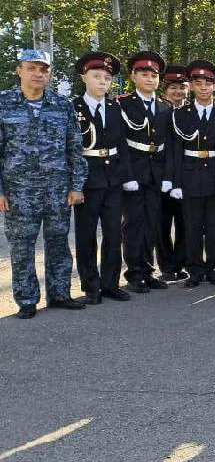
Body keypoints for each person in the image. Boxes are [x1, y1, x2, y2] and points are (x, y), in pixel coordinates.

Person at [0, 49, 87, 318]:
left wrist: (77, 185)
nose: (38, 74)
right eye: (32, 68)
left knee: (59, 243)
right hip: (18, 191)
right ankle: (26, 299)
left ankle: (60, 293)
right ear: (20, 70)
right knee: (22, 246)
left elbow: (75, 148)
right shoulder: (3, 103)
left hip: (57, 189)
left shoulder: (62, 105)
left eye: (43, 70)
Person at [168, 60, 215, 287]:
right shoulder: (181, 114)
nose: (204, 88)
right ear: (192, 87)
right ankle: (194, 270)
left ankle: (214, 268)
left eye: (208, 83)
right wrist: (175, 182)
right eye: (198, 83)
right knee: (192, 226)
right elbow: (176, 150)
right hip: (189, 176)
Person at [72, 52, 132, 305]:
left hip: (113, 179)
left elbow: (123, 144)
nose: (102, 82)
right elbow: (70, 148)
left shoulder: (115, 107)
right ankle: (91, 286)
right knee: (86, 234)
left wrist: (127, 176)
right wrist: (73, 184)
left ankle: (110, 283)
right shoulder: (73, 108)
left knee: (113, 233)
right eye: (96, 76)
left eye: (107, 78)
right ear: (84, 77)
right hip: (87, 178)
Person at [120, 51, 173, 294]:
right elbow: (120, 143)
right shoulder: (123, 104)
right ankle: (134, 273)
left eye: (154, 75)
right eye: (144, 74)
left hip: (156, 172)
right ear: (133, 76)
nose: (150, 79)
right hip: (134, 170)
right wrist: (126, 175)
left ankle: (148, 270)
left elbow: (169, 145)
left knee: (152, 223)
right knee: (133, 224)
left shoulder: (166, 106)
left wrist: (167, 176)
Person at [157, 64, 189, 281]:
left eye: (182, 87)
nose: (177, 92)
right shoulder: (158, 111)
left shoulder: (193, 112)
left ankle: (181, 262)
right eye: (173, 87)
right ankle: (167, 266)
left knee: (186, 222)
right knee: (162, 223)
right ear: (164, 90)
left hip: (188, 176)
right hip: (161, 176)